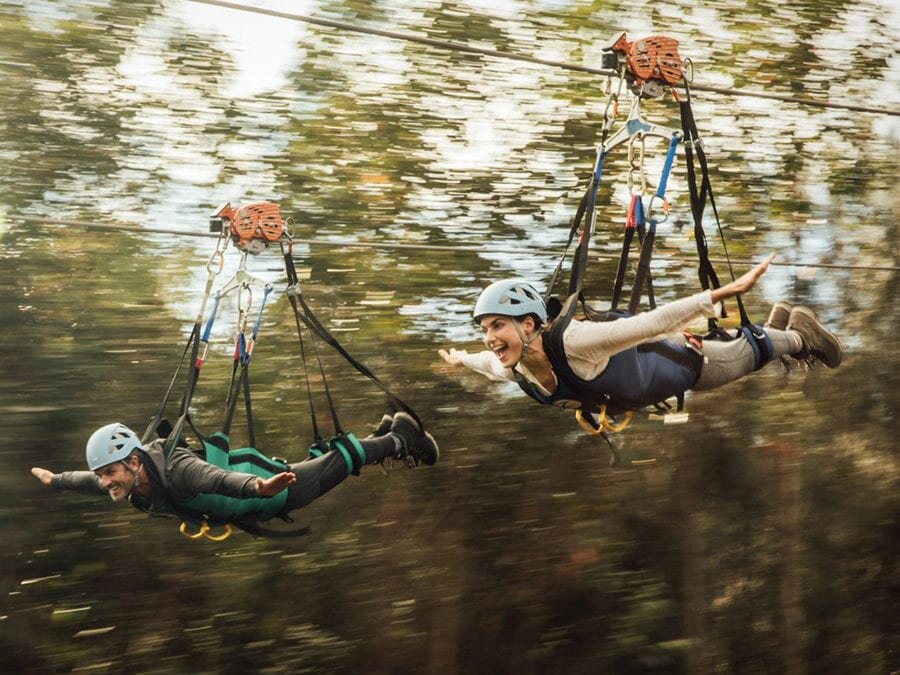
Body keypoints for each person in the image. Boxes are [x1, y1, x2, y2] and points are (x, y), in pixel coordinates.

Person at [438, 254, 842, 421]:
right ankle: (779, 324)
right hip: (654, 379)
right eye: (485, 329)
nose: (490, 338)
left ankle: (800, 335)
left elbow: (649, 324)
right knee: (742, 349)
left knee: (750, 356)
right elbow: (485, 363)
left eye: (498, 326)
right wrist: (461, 358)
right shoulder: (517, 369)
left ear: (528, 325)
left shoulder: (576, 342)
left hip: (688, 364)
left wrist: (720, 295)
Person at [30, 412, 438, 534]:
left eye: (109, 473)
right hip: (251, 506)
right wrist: (57, 481)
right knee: (331, 461)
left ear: (134, 461)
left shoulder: (178, 469)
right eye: (101, 475)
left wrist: (259, 487)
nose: (104, 483)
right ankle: (380, 434)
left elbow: (217, 480)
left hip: (273, 491)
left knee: (337, 463)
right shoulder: (130, 483)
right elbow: (85, 483)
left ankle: (400, 438)